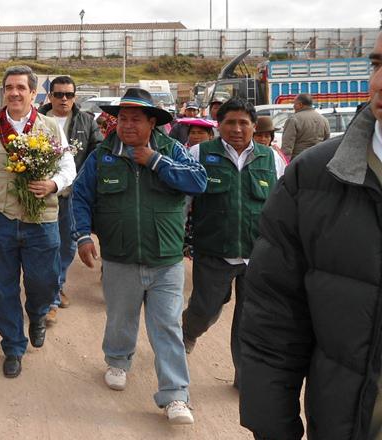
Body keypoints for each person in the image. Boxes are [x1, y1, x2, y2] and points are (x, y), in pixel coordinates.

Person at [238, 31, 382, 440]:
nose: (378, 81)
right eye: (376, 64)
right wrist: (272, 427)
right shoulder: (310, 179)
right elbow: (273, 319)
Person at [72, 87, 207, 424]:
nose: (127, 125)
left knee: (167, 327)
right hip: (119, 257)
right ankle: (118, 361)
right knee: (121, 317)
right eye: (122, 118)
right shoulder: (102, 155)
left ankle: (175, 395)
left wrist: (156, 161)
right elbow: (80, 197)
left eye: (135, 119)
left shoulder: (173, 150)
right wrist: (82, 236)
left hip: (166, 259)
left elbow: (198, 182)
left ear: (152, 123)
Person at [0, 65, 76, 378]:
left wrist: (53, 183)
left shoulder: (50, 127)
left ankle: (37, 313)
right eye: (9, 87)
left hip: (41, 221)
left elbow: (68, 166)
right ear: (3, 92)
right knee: (5, 288)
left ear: (33, 93)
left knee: (44, 281)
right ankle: (13, 346)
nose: (14, 93)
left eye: (21, 88)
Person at [180, 98, 286, 391]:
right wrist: (178, 239)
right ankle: (188, 331)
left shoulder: (272, 158)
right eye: (230, 122)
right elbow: (184, 201)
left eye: (243, 123)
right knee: (205, 309)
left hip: (258, 254)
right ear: (219, 125)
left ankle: (244, 374)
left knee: (250, 319)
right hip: (214, 251)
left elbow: (283, 205)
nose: (237, 129)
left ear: (254, 126)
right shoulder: (199, 153)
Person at [38, 75, 103, 324]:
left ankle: (56, 285)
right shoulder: (37, 120)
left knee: (67, 247)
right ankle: (50, 300)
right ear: (50, 96)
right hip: (42, 197)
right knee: (46, 246)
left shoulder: (86, 121)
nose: (63, 99)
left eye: (68, 95)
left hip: (72, 197)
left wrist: (86, 181)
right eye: (58, 94)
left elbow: (98, 152)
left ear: (75, 97)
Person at [281, 93, 330, 160]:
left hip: (299, 159)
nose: (293, 106)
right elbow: (326, 142)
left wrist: (285, 161)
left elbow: (287, 145)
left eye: (295, 104)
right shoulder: (323, 119)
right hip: (318, 158)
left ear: (300, 105)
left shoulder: (293, 119)